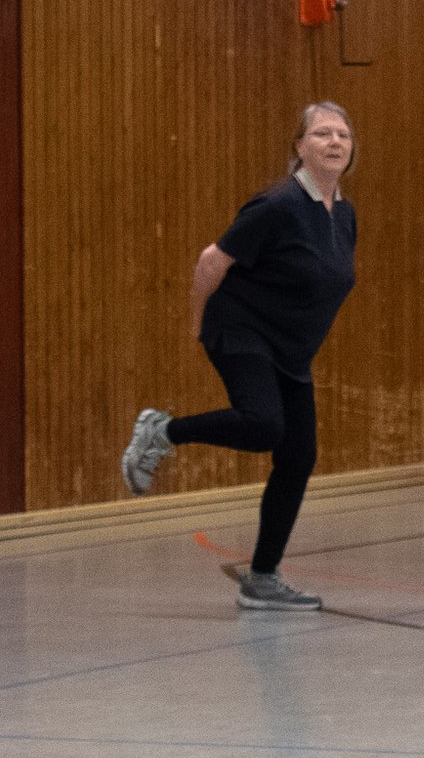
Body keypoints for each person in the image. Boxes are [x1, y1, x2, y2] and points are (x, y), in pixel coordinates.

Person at [120, 102, 359, 611]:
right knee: (264, 425)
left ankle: (263, 578)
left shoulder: (343, 213)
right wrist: (198, 320)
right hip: (241, 328)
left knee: (298, 457)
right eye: (321, 134)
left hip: (290, 350)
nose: (334, 142)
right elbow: (212, 261)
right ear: (299, 147)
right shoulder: (277, 204)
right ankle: (162, 432)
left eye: (342, 134)